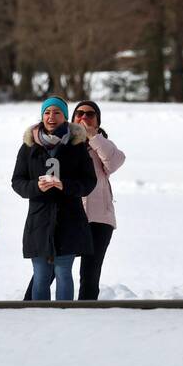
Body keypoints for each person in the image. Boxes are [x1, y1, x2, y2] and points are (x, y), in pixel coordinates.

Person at [10, 96, 95, 301]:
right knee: (41, 276)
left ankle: (65, 318)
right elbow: (17, 182)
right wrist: (36, 187)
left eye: (57, 112)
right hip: (39, 221)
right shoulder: (29, 146)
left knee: (63, 273)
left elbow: (89, 182)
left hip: (69, 221)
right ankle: (38, 320)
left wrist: (65, 185)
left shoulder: (77, 145)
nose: (51, 117)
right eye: (47, 113)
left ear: (65, 117)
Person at [71, 100, 126, 299]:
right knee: (51, 269)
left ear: (97, 120)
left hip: (99, 218)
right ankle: (30, 308)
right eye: (79, 113)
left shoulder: (102, 143)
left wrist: (93, 137)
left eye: (90, 114)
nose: (84, 117)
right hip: (70, 216)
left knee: (90, 274)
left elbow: (115, 162)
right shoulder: (64, 143)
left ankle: (86, 315)